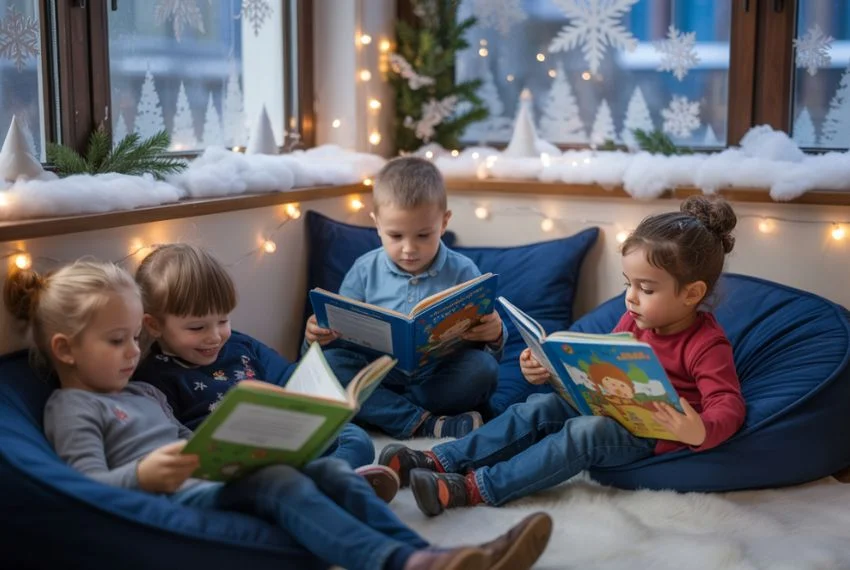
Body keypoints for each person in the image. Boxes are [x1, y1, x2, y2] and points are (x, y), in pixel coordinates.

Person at [3, 260, 553, 570]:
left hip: (210, 477)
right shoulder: (70, 405)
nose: (132, 353)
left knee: (330, 467)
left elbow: (192, 439)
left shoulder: (141, 394)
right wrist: (143, 475)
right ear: (66, 349)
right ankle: (399, 564)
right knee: (280, 483)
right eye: (117, 341)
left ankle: (434, 555)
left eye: (133, 339)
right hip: (172, 495)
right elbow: (84, 491)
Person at [379, 195, 747, 516]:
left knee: (585, 432)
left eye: (646, 288)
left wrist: (697, 429)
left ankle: (477, 488)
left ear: (692, 293)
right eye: (627, 284)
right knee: (536, 406)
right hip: (609, 407)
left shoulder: (706, 344)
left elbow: (727, 404)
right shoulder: (634, 321)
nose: (630, 297)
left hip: (649, 434)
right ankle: (438, 459)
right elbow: (603, 368)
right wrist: (549, 369)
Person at [131, 243, 397, 502]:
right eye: (197, 328)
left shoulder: (240, 344)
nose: (215, 336)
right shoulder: (153, 376)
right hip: (234, 466)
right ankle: (327, 485)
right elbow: (171, 443)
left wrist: (321, 404)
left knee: (355, 438)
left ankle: (319, 485)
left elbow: (290, 377)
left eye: (223, 320)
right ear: (154, 325)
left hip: (284, 439)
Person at [305, 156, 506, 439]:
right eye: (395, 235)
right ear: (376, 224)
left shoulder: (463, 271)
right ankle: (425, 422)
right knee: (330, 364)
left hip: (437, 378)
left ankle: (385, 413)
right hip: (378, 375)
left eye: (423, 235)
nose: (409, 248)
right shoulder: (364, 270)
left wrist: (494, 333)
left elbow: (488, 345)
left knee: (482, 369)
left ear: (444, 222)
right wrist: (317, 334)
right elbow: (338, 333)